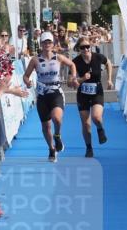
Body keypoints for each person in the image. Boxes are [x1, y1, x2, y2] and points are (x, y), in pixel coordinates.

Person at [23, 31, 78, 163]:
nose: (47, 44)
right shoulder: (35, 60)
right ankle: (51, 148)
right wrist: (27, 82)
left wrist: (72, 76)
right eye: (44, 42)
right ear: (41, 44)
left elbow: (72, 65)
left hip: (56, 93)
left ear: (53, 44)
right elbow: (25, 75)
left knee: (57, 119)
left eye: (49, 42)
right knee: (46, 127)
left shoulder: (58, 57)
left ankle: (57, 135)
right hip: (42, 96)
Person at [72, 36, 113, 158]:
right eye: (83, 47)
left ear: (91, 47)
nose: (86, 49)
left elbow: (109, 63)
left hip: (97, 91)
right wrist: (82, 79)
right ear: (79, 49)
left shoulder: (98, 57)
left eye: (87, 47)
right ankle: (89, 147)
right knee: (86, 124)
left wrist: (109, 79)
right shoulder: (75, 62)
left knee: (96, 117)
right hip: (83, 94)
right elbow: (72, 82)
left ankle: (100, 129)